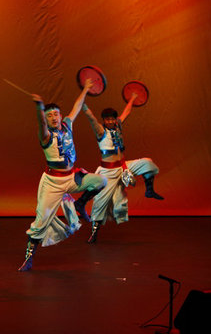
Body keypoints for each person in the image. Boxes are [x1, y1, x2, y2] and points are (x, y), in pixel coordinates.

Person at [20, 79, 107, 271]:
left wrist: (85, 89)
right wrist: (39, 108)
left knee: (101, 180)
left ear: (60, 116)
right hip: (52, 182)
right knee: (40, 222)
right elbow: (40, 122)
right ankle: (29, 257)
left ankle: (80, 203)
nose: (53, 118)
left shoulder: (67, 125)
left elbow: (76, 107)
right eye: (49, 115)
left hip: (72, 177)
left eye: (56, 114)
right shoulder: (45, 136)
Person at [74, 93, 163, 243]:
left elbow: (126, 112)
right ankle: (94, 232)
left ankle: (149, 190)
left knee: (148, 163)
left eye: (112, 119)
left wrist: (133, 98)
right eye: (107, 119)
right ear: (104, 120)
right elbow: (91, 118)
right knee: (100, 204)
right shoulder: (101, 131)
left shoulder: (118, 126)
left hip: (123, 166)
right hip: (108, 172)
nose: (110, 121)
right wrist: (83, 105)